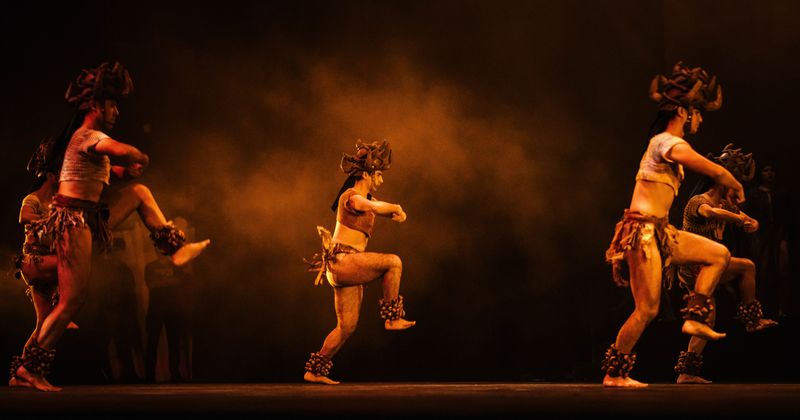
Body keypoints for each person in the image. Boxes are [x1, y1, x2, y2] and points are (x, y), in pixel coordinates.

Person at [10, 62, 208, 392]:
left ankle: (175, 248)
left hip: (90, 218)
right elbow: (115, 148)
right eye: (112, 104)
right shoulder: (90, 135)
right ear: (95, 106)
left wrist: (123, 173)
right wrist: (136, 154)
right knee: (71, 301)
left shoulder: (85, 143)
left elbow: (98, 172)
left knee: (138, 193)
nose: (116, 111)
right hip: (73, 222)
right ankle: (28, 369)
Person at [603, 62, 744, 387]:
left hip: (662, 232)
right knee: (647, 310)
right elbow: (709, 168)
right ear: (683, 111)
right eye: (698, 112)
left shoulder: (669, 144)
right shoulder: (665, 142)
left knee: (718, 254)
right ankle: (614, 374)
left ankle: (695, 319)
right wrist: (729, 178)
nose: (701, 119)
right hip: (643, 233)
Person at [304, 140, 415, 385]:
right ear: (366, 174)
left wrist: (393, 211)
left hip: (344, 266)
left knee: (347, 327)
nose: (381, 180)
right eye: (378, 175)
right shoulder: (352, 197)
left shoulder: (364, 197)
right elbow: (372, 206)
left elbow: (376, 205)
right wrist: (395, 208)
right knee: (393, 262)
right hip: (344, 261)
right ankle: (392, 317)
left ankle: (315, 371)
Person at [674, 144, 778, 384]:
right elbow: (709, 214)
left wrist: (752, 223)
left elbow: (748, 220)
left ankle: (687, 372)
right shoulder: (698, 202)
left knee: (709, 317)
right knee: (744, 269)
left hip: (712, 266)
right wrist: (737, 219)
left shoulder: (726, 205)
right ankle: (751, 321)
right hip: (695, 267)